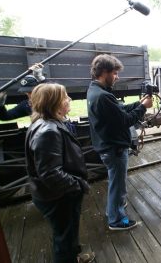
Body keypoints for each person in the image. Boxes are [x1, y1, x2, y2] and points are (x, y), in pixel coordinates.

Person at [25, 83, 95, 263]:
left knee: (68, 233)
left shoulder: (46, 124)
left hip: (56, 194)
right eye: (65, 97)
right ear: (54, 103)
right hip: (58, 197)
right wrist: (78, 185)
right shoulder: (48, 131)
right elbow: (50, 173)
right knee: (64, 238)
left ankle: (74, 257)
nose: (69, 99)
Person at [86, 54, 152, 230]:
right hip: (114, 149)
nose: (117, 77)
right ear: (104, 72)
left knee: (116, 183)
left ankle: (114, 209)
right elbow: (125, 120)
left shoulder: (95, 90)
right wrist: (143, 108)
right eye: (115, 73)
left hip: (108, 146)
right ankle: (116, 220)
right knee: (117, 184)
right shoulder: (103, 96)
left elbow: (119, 111)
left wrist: (138, 103)